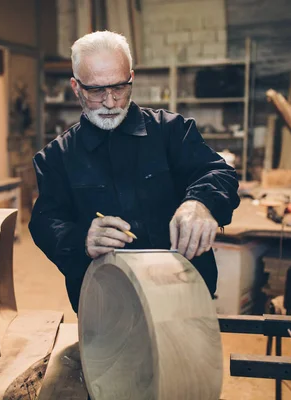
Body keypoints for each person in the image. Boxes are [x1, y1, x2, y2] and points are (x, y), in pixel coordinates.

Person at [29, 31, 240, 312]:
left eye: (120, 87)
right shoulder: (56, 157)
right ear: (76, 87)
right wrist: (81, 240)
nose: (110, 102)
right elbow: (45, 223)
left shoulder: (172, 131)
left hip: (184, 295)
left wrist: (201, 203)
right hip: (105, 305)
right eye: (96, 90)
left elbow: (218, 173)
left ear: (131, 77)